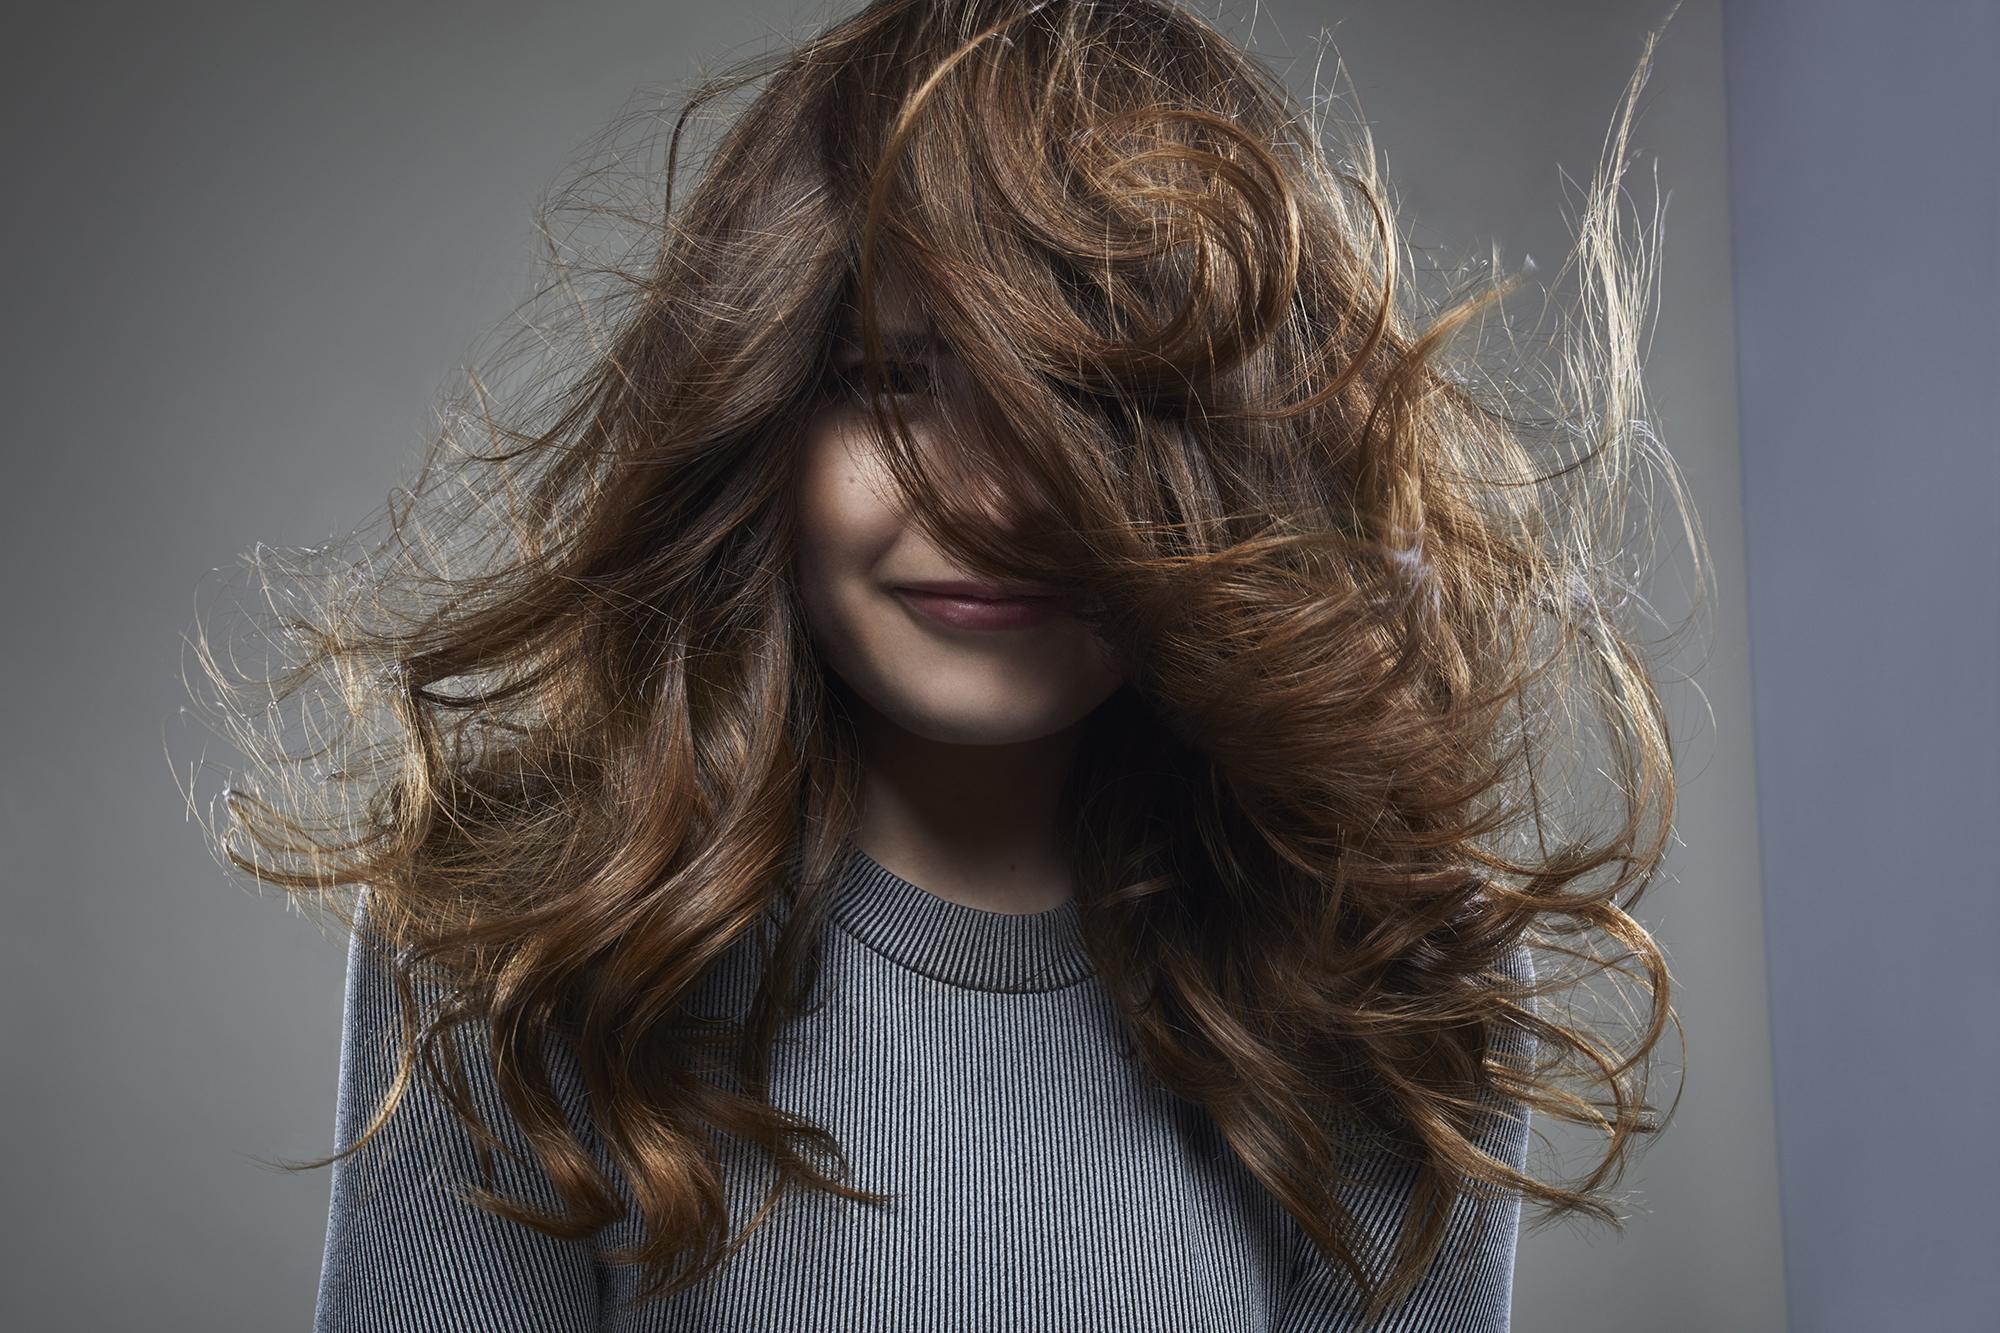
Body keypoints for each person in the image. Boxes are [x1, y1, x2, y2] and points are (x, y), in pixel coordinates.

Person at [206, 1, 1683, 1328]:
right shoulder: (519, 934)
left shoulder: (1386, 968)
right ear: (762, 418)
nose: (987, 500)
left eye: (1091, 396)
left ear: (1238, 458)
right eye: (890, 380)